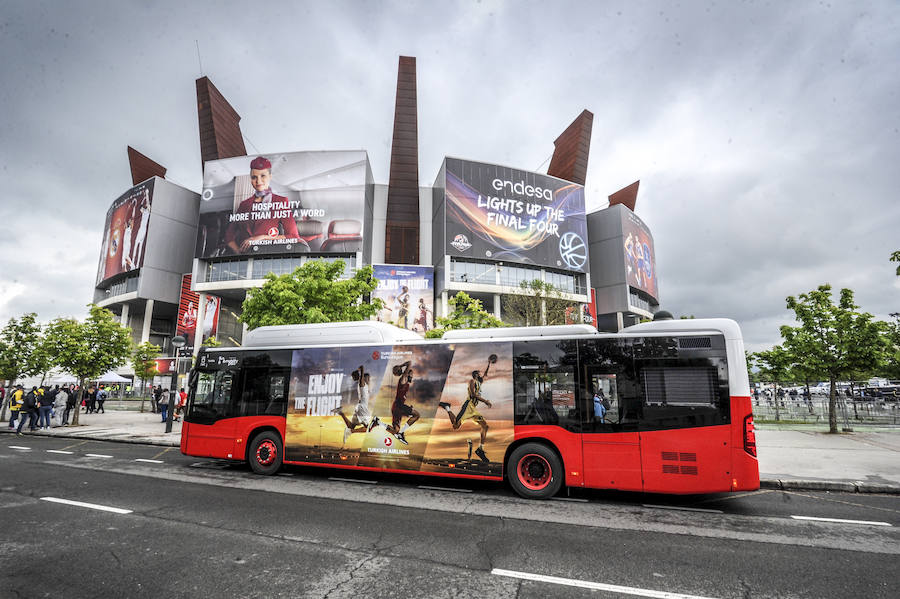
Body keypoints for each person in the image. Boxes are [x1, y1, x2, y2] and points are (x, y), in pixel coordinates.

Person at [223, 156, 302, 254]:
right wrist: (239, 253)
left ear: (270, 176)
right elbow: (229, 235)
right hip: (245, 257)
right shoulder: (244, 204)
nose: (258, 181)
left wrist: (262, 237)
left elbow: (293, 236)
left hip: (267, 255)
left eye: (263, 176)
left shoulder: (280, 201)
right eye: (254, 177)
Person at [437, 354, 497, 463]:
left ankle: (480, 449)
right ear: (475, 375)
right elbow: (473, 395)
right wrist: (486, 401)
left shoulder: (479, 382)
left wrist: (489, 364)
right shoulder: (472, 381)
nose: (480, 375)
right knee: (455, 425)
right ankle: (447, 408)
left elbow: (485, 374)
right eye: (478, 373)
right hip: (468, 406)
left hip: (473, 408)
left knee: (485, 426)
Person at [332, 366, 381, 447]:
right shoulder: (362, 384)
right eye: (368, 379)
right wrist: (358, 371)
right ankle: (351, 431)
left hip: (359, 407)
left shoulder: (364, 386)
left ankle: (340, 412)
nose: (369, 380)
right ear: (364, 379)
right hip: (362, 408)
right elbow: (362, 368)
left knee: (351, 425)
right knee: (368, 428)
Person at [384, 361, 418, 445]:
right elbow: (409, 363)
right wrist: (400, 366)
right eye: (411, 375)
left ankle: (378, 422)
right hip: (399, 406)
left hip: (397, 407)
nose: (412, 377)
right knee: (417, 415)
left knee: (395, 430)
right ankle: (401, 433)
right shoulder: (403, 379)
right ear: (407, 374)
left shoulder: (405, 382)